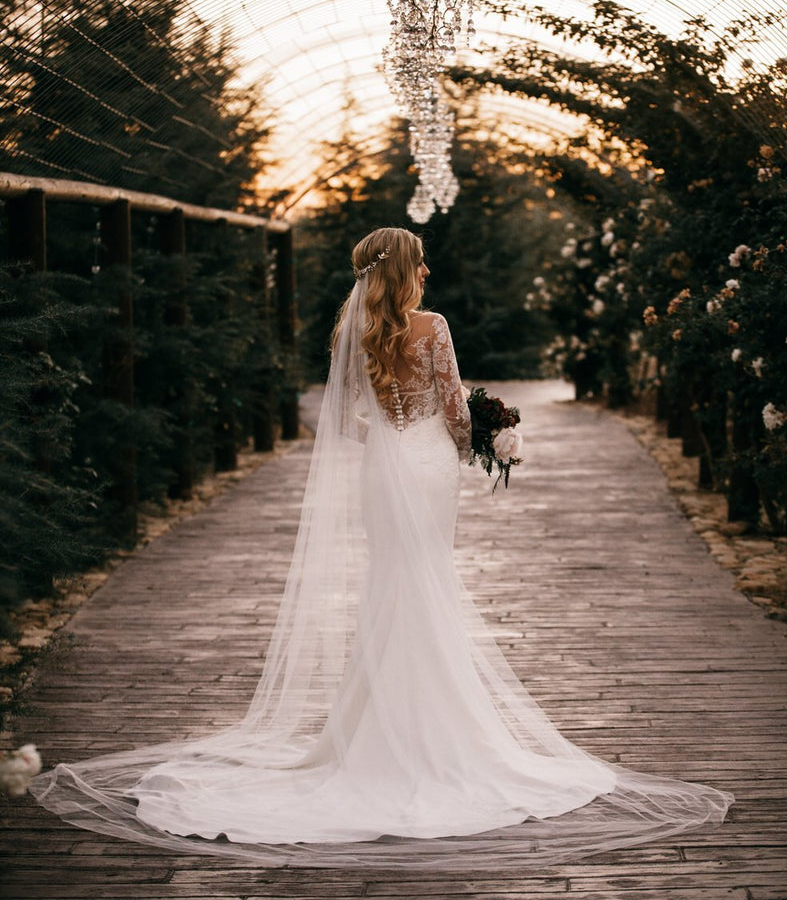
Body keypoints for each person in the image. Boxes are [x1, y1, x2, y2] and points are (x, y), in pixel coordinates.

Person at [31, 226, 732, 867]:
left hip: (385, 466)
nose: (427, 270)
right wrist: (479, 443)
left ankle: (378, 729)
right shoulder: (434, 327)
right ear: (405, 270)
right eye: (420, 261)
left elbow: (341, 419)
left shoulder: (352, 331)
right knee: (422, 581)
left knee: (393, 583)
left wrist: (391, 445)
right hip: (426, 465)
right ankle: (423, 737)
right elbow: (455, 408)